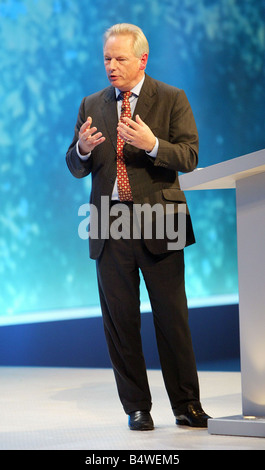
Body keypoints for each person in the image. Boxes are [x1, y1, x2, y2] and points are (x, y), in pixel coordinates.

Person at [66, 23, 211, 431]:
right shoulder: (91, 104)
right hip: (109, 225)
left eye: (120, 59)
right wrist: (82, 149)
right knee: (121, 323)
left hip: (160, 222)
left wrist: (152, 144)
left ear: (142, 60)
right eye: (107, 59)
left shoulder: (170, 98)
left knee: (172, 320)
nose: (111, 67)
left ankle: (186, 405)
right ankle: (137, 407)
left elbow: (190, 155)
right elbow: (74, 165)